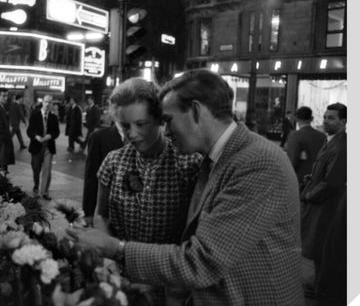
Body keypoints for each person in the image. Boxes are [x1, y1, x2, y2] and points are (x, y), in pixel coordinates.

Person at [67, 69, 304, 305]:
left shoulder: (256, 161)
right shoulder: (217, 158)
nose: (166, 131)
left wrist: (114, 248)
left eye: (168, 120)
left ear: (196, 111)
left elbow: (202, 261)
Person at [95, 78, 202, 304]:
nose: (132, 133)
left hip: (170, 283)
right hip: (122, 279)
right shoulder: (113, 163)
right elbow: (101, 214)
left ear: (158, 120)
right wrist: (108, 259)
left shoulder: (188, 163)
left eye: (141, 124)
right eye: (125, 125)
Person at [300, 103, 347, 300]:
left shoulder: (342, 145)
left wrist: (308, 195)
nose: (326, 121)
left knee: (324, 248)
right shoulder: (330, 142)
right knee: (318, 249)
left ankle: (323, 291)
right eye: (325, 117)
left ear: (343, 122)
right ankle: (319, 287)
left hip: (327, 207)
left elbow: (332, 182)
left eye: (331, 118)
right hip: (320, 204)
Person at [82, 119, 124, 227]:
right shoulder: (98, 137)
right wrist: (89, 213)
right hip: (107, 213)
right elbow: (91, 177)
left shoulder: (143, 137)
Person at [285, 106, 326, 189]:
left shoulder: (295, 136)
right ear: (312, 118)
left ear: (296, 118)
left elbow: (292, 160)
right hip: (318, 179)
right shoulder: (322, 136)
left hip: (300, 180)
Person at [28, 95, 60, 200]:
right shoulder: (35, 115)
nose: (47, 104)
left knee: (47, 169)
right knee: (36, 168)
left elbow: (57, 132)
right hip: (36, 146)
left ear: (52, 104)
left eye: (50, 102)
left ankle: (44, 192)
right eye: (46, 102)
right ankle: (36, 186)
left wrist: (49, 136)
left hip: (48, 147)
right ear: (42, 103)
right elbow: (29, 131)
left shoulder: (54, 117)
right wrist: (36, 136)